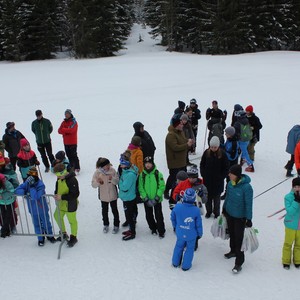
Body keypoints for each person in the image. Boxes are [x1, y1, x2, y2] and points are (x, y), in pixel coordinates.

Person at [222, 164, 253, 274]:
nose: (229, 175)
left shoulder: (247, 187)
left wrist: (249, 219)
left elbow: (249, 204)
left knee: (239, 238)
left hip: (240, 217)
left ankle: (239, 262)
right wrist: (224, 208)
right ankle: (233, 251)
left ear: (237, 175)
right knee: (232, 233)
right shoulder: (230, 184)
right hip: (230, 213)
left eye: (231, 173)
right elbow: (228, 197)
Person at [15, 167, 56, 246]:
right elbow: (17, 190)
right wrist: (25, 192)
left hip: (42, 209)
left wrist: (31, 188)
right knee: (37, 224)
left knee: (46, 223)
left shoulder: (41, 185)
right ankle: (40, 238)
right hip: (33, 210)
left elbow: (35, 197)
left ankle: (50, 235)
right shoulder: (27, 183)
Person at [171, 188, 203, 271]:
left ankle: (175, 262)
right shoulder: (196, 210)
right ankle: (186, 266)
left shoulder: (177, 207)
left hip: (180, 232)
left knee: (178, 246)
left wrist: (175, 227)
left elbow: (173, 218)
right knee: (189, 249)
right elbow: (198, 224)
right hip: (191, 235)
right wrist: (200, 233)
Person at [165, 113, 193, 199]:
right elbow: (175, 147)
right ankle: (167, 191)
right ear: (176, 125)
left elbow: (183, 140)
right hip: (174, 162)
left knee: (184, 176)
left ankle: (183, 189)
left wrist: (188, 141)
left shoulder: (180, 132)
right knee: (173, 178)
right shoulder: (171, 135)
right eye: (180, 123)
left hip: (182, 160)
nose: (182, 125)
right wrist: (186, 145)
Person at [200, 136, 229, 218]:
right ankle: (208, 211)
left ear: (218, 146)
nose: (213, 148)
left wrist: (222, 176)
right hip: (207, 181)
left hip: (218, 182)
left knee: (217, 200)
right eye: (211, 147)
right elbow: (202, 164)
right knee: (207, 199)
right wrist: (203, 174)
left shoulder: (222, 154)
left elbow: (226, 167)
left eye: (215, 147)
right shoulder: (206, 153)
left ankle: (216, 212)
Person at [138, 156, 166, 238]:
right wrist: (145, 197)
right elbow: (141, 187)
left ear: (152, 163)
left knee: (159, 215)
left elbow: (162, 186)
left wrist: (157, 197)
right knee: (149, 215)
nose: (147, 165)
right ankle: (153, 228)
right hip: (147, 200)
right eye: (146, 163)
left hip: (157, 200)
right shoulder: (142, 175)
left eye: (149, 163)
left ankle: (161, 230)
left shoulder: (158, 174)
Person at [53, 163, 79, 247]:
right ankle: (63, 233)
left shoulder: (72, 180)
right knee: (57, 216)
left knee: (72, 221)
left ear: (63, 173)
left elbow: (75, 194)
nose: (57, 177)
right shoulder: (59, 179)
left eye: (58, 175)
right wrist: (56, 194)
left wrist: (62, 197)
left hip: (70, 204)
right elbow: (57, 189)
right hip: (61, 203)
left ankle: (73, 237)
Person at [91, 157, 120, 234]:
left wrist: (112, 179)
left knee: (115, 210)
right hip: (103, 196)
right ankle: (106, 224)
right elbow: (93, 185)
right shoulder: (97, 173)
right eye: (106, 165)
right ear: (101, 166)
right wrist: (98, 181)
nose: (108, 167)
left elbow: (117, 181)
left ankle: (116, 225)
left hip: (113, 195)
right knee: (104, 211)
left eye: (108, 165)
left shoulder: (112, 170)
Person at [118, 154, 138, 241]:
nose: (120, 166)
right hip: (129, 196)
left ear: (126, 164)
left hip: (128, 197)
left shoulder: (130, 174)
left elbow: (124, 187)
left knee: (129, 215)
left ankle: (132, 232)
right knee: (131, 213)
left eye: (122, 164)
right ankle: (131, 229)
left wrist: (120, 182)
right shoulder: (127, 171)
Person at [282, 177, 300, 270]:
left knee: (299, 245)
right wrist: (296, 202)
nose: (297, 189)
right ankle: (286, 261)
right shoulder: (288, 197)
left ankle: (297, 260)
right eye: (295, 187)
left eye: (299, 187)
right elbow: (289, 211)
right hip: (291, 225)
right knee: (288, 243)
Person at [58, 109, 80, 173]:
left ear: (70, 114)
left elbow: (72, 130)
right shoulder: (63, 122)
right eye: (65, 114)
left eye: (68, 114)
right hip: (66, 142)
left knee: (74, 155)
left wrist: (64, 130)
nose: (66, 115)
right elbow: (59, 131)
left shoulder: (74, 122)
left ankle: (77, 167)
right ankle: (72, 166)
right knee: (68, 155)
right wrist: (66, 131)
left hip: (73, 142)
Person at [221, 126, 239, 200]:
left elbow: (233, 157)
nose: (225, 134)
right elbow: (226, 147)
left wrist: (224, 153)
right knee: (227, 178)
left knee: (230, 179)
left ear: (230, 134)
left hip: (231, 165)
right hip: (227, 163)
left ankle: (228, 194)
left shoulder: (234, 143)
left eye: (226, 133)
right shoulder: (229, 140)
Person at [0, 173, 15, 238]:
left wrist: (3, 192)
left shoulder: (7, 183)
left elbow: (12, 190)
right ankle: (7, 230)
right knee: (3, 215)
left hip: (9, 201)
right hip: (2, 202)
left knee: (8, 216)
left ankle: (4, 230)